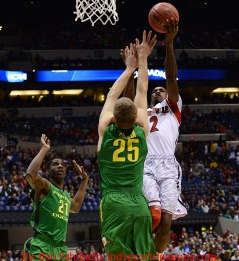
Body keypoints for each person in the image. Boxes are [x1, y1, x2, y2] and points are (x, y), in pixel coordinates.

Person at [123, 19, 188, 254]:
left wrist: (169, 44)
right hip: (146, 163)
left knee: (167, 222)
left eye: (162, 89)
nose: (158, 90)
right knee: (153, 214)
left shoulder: (173, 109)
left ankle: (156, 256)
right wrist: (131, 71)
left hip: (168, 165)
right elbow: (129, 100)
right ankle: (134, 247)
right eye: (155, 89)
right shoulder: (142, 112)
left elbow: (171, 78)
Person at [97, 30, 158, 260]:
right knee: (147, 257)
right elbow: (142, 89)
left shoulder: (106, 130)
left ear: (113, 117)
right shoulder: (142, 129)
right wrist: (143, 59)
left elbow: (111, 96)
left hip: (114, 203)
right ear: (135, 119)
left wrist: (128, 67)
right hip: (139, 203)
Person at [22, 134, 88, 261]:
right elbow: (30, 174)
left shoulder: (66, 196)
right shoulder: (45, 187)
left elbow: (76, 207)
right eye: (55, 164)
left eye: (63, 165)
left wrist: (84, 180)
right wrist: (44, 149)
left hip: (61, 248)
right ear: (48, 171)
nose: (60, 166)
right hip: (42, 244)